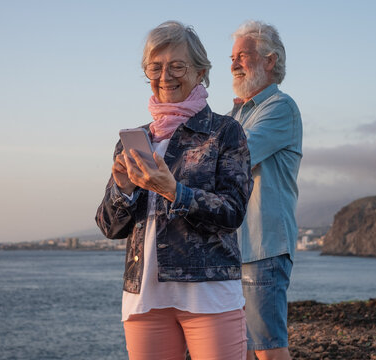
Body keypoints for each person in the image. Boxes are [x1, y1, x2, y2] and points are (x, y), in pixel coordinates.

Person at [96, 21, 253, 360]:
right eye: (155, 67)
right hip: (145, 298)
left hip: (209, 296)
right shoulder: (135, 139)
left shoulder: (226, 132)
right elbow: (110, 227)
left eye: (177, 66)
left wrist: (175, 192)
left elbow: (233, 211)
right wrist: (123, 191)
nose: (165, 76)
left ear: (201, 72)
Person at [228, 20, 302, 360]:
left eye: (242, 55)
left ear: (269, 61)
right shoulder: (237, 115)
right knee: (239, 350)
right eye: (232, 57)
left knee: (269, 351)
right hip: (234, 252)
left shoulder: (280, 108)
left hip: (262, 248)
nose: (233, 64)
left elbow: (238, 156)